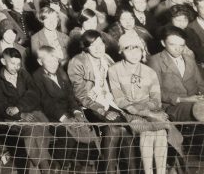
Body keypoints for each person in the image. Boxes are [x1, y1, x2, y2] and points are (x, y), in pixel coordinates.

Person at [108, 32, 177, 174]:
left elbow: (156, 99)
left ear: (142, 50)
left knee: (161, 133)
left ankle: (161, 172)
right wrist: (146, 112)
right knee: (147, 131)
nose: (134, 53)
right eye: (128, 49)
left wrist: (151, 111)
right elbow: (120, 101)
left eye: (137, 49)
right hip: (129, 113)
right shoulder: (114, 70)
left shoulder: (149, 72)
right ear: (121, 51)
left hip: (150, 110)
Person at [68, 30, 134, 173]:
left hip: (110, 101)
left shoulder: (107, 58)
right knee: (113, 129)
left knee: (126, 132)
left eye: (100, 43)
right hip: (89, 106)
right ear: (86, 47)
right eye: (93, 45)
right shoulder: (77, 62)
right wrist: (102, 110)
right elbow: (80, 96)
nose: (98, 48)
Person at [0, 47, 52, 172]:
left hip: (31, 111)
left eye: (19, 64)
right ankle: (45, 168)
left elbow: (34, 94)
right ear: (3, 61)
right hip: (12, 119)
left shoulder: (24, 74)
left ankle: (33, 166)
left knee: (41, 127)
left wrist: (20, 107)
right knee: (33, 131)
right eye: (12, 63)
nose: (16, 67)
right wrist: (19, 115)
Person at [147, 26, 204, 122]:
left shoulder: (189, 59)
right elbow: (155, 91)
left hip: (196, 101)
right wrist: (184, 99)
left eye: (182, 45)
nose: (178, 49)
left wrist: (200, 96)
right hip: (173, 106)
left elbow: (200, 84)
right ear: (163, 43)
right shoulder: (155, 61)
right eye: (173, 44)